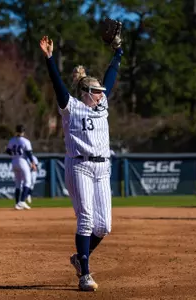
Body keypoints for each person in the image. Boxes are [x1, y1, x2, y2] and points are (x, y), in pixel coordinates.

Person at [40, 35, 122, 291]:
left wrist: (118, 51)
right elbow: (57, 85)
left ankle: (79, 258)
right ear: (86, 92)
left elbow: (111, 75)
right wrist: (50, 59)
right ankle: (85, 275)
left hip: (102, 167)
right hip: (80, 166)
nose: (102, 93)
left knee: (104, 226)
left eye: (101, 91)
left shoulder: (102, 105)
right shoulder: (71, 107)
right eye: (97, 90)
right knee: (86, 220)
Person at [5, 125, 36, 210]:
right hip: (22, 161)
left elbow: (7, 151)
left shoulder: (12, 140)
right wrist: (33, 163)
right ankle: (22, 202)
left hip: (14, 161)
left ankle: (17, 204)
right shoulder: (26, 141)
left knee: (18, 184)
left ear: (16, 131)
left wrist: (14, 155)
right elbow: (29, 153)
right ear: (23, 132)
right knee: (28, 182)